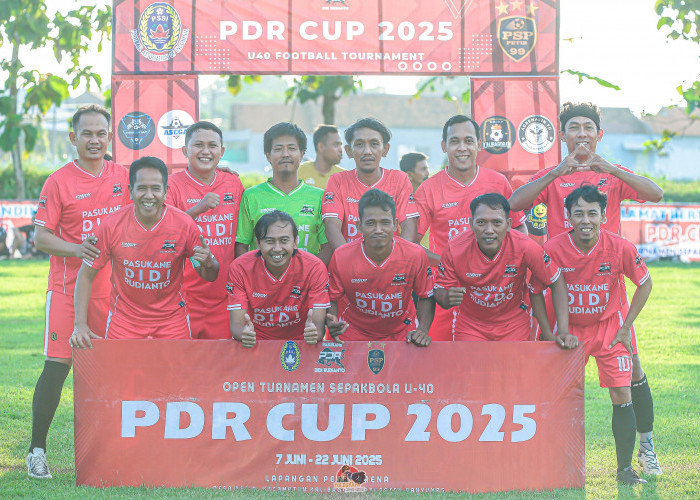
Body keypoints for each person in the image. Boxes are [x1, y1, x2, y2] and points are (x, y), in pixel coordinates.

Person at [509, 102, 663, 475]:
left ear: (599, 134)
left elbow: (655, 193)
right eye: (574, 127)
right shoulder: (553, 175)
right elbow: (514, 204)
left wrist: (611, 168)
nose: (581, 133)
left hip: (607, 291)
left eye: (588, 127)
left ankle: (646, 448)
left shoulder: (611, 174)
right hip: (563, 294)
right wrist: (555, 172)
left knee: (633, 372)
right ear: (563, 135)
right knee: (549, 377)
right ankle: (542, 460)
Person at [26, 105, 130, 479]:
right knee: (57, 367)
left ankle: (114, 451)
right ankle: (37, 451)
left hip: (115, 295)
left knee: (114, 372)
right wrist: (77, 248)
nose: (94, 140)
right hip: (67, 292)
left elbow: (160, 195)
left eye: (101, 133)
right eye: (87, 133)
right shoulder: (58, 182)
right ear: (73, 138)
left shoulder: (124, 176)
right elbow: (40, 237)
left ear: (110, 136)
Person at [532, 185, 653, 485]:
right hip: (568, 330)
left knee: (621, 392)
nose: (585, 220)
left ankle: (625, 469)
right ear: (568, 217)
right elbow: (535, 289)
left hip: (609, 327)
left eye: (592, 213)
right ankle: (550, 466)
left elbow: (645, 283)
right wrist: (548, 332)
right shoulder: (552, 249)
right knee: (555, 395)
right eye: (579, 214)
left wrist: (625, 326)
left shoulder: (620, 247)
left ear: (603, 215)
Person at [70, 156, 218, 344]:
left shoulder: (184, 225)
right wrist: (80, 325)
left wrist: (209, 262)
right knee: (121, 365)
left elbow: (209, 275)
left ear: (165, 191)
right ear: (131, 191)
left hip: (172, 321)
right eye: (142, 188)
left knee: (176, 365)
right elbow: (85, 275)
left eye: (155, 188)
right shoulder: (111, 225)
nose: (149, 195)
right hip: (124, 322)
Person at [413, 115, 527, 341]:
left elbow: (520, 232)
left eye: (468, 141)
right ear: (444, 146)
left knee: (499, 358)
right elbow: (411, 246)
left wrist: (502, 268)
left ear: (479, 145)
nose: (462, 148)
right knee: (448, 356)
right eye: (454, 141)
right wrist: (447, 264)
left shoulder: (498, 182)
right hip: (449, 290)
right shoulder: (428, 189)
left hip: (494, 288)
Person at [434, 193, 567, 341]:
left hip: (514, 324)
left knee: (514, 358)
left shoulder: (525, 246)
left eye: (497, 222)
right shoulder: (455, 248)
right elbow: (440, 289)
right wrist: (446, 297)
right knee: (470, 358)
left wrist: (562, 331)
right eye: (481, 222)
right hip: (470, 326)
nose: (489, 230)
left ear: (508, 224)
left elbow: (556, 279)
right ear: (471, 224)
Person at [167, 121, 245, 339]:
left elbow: (243, 236)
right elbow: (166, 233)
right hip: (183, 298)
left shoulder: (233, 183)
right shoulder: (171, 185)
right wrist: (198, 208)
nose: (205, 151)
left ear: (222, 151)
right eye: (198, 145)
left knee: (222, 359)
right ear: (185, 150)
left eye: (212, 146)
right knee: (184, 359)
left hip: (225, 297)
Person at [327, 189, 433, 345]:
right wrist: (333, 321)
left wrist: (422, 330)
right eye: (370, 223)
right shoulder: (342, 256)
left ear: (395, 225)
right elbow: (331, 298)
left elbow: (426, 296)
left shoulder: (414, 254)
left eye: (385, 222)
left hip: (402, 332)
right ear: (359, 226)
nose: (378, 230)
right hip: (352, 331)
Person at [227, 210, 329, 346]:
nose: (277, 248)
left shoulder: (314, 267)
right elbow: (237, 326)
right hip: (256, 341)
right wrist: (244, 334)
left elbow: (318, 329)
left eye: (284, 240)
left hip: (301, 342)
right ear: (258, 243)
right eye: (269, 241)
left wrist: (313, 334)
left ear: (295, 242)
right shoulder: (240, 268)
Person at [235, 122, 329, 262]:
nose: (285, 154)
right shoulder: (251, 196)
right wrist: (255, 273)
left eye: (291, 148)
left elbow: (328, 246)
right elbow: (241, 246)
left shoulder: (319, 197)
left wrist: (311, 272)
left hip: (307, 276)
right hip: (262, 276)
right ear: (268, 155)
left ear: (302, 154)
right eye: (278, 149)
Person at [322, 117, 418, 252]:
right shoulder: (337, 181)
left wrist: (395, 258)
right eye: (359, 144)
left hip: (391, 260)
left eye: (374, 144)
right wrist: (349, 259)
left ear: (385, 149)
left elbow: (409, 227)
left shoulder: (399, 179)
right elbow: (331, 226)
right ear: (349, 151)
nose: (367, 151)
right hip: (349, 261)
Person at [298, 124, 345, 189]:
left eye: (341, 145)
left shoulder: (344, 177)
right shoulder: (299, 172)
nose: (341, 150)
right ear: (321, 147)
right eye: (336, 145)